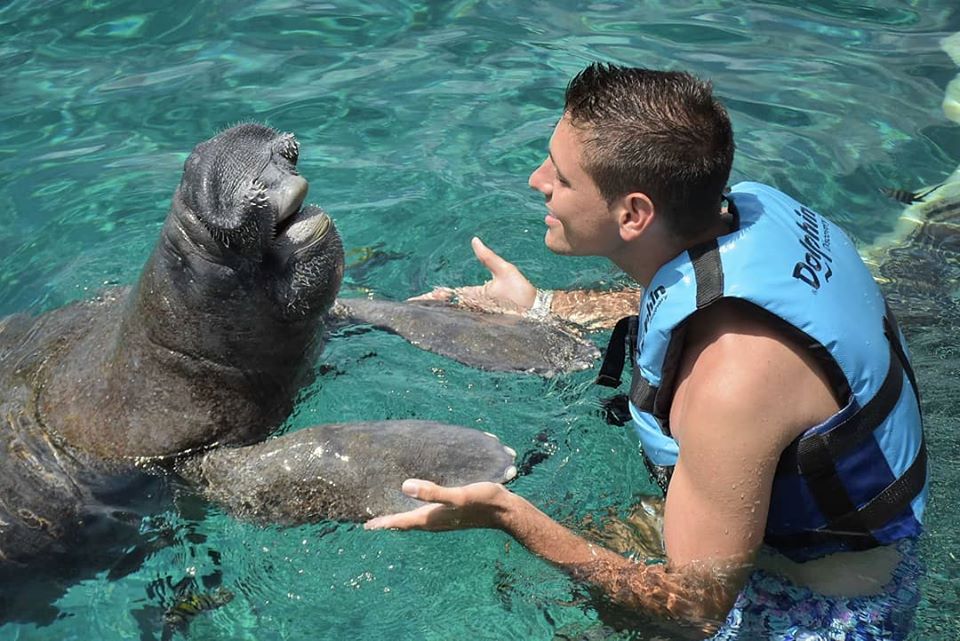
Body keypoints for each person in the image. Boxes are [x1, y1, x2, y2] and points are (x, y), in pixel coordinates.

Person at [365, 64, 928, 639]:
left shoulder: (731, 382)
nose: (537, 181)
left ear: (633, 214)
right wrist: (540, 306)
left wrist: (510, 517)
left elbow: (694, 610)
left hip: (821, 613)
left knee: (539, 593)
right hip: (788, 539)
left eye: (560, 177)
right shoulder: (741, 215)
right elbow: (682, 289)